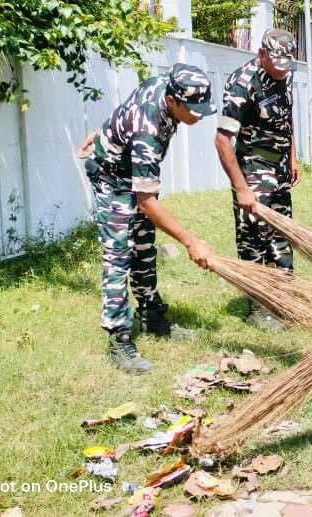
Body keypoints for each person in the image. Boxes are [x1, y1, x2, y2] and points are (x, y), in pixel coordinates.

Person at [82, 64, 216, 374]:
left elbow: (126, 107)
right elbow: (146, 202)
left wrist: (104, 131)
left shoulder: (165, 83)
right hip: (113, 179)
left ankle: (152, 318)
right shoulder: (149, 129)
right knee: (119, 254)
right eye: (193, 109)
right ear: (172, 101)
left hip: (130, 167)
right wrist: (190, 241)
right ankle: (119, 339)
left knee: (144, 247)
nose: (198, 115)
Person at [215, 28, 302, 331]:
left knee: (282, 234)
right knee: (253, 239)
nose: (282, 71)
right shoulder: (242, 83)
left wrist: (292, 155)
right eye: (277, 64)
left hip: (278, 168)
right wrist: (242, 188)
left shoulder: (284, 73)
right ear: (261, 54)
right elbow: (223, 140)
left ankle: (285, 300)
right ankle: (258, 306)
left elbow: (286, 117)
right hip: (252, 168)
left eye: (286, 65)